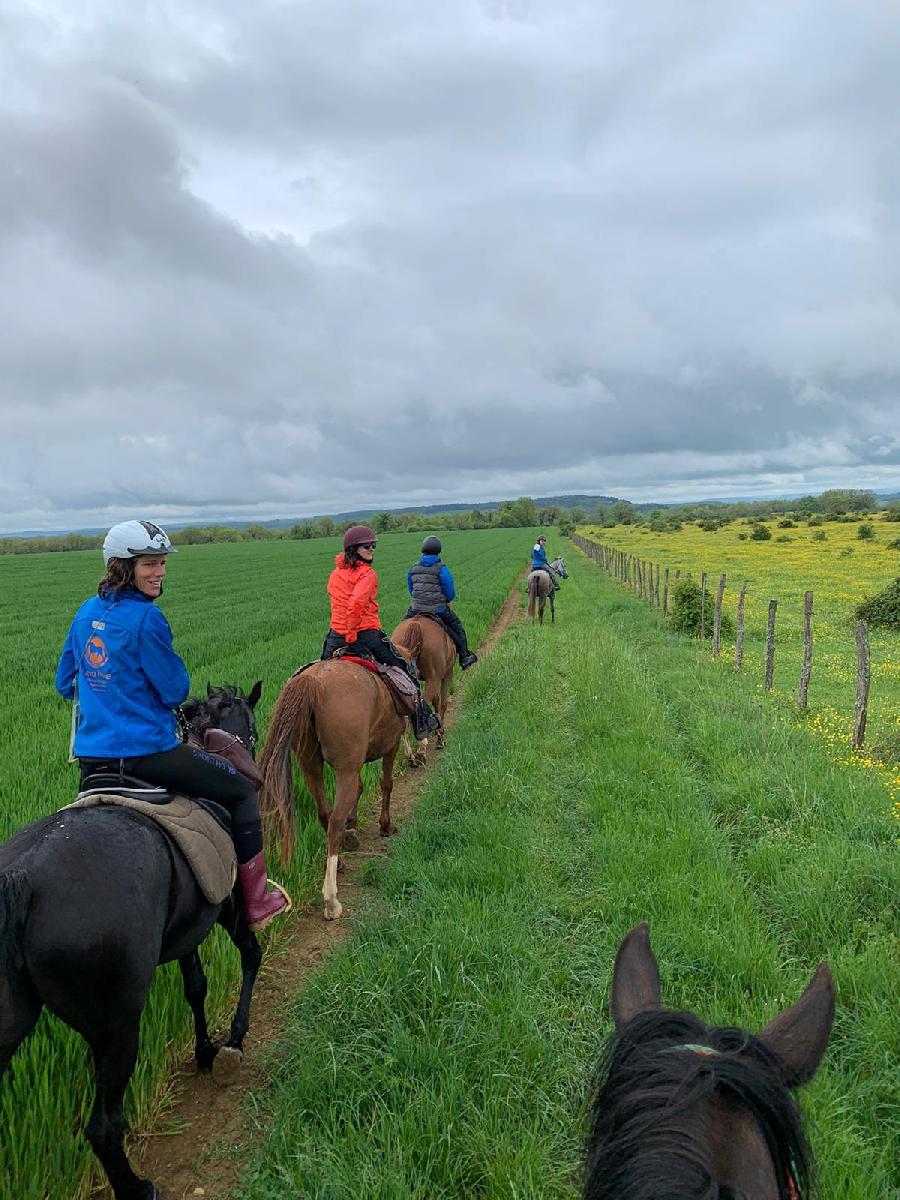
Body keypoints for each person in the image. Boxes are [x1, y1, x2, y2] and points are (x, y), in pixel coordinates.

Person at [55, 519, 289, 933]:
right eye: (149, 564)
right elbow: (174, 690)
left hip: (92, 763)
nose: (159, 572)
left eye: (162, 563)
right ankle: (255, 903)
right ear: (121, 566)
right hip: (149, 756)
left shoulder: (85, 612)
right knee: (238, 790)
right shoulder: (147, 618)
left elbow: (64, 683)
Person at [321, 525, 441, 739]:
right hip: (364, 635)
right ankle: (423, 720)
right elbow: (356, 605)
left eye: (373, 545)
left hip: (334, 637)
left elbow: (339, 603)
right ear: (353, 549)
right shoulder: (367, 575)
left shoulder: (335, 573)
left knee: (320, 675)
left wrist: (344, 634)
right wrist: (351, 637)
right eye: (366, 546)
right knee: (405, 671)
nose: (372, 549)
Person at [404, 536, 477, 668]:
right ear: (438, 551)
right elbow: (450, 593)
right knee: (457, 628)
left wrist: (419, 600)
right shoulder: (441, 569)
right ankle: (465, 657)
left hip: (416, 609)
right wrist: (445, 600)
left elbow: (411, 588)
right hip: (438, 609)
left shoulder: (413, 568)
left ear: (423, 550)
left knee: (402, 629)